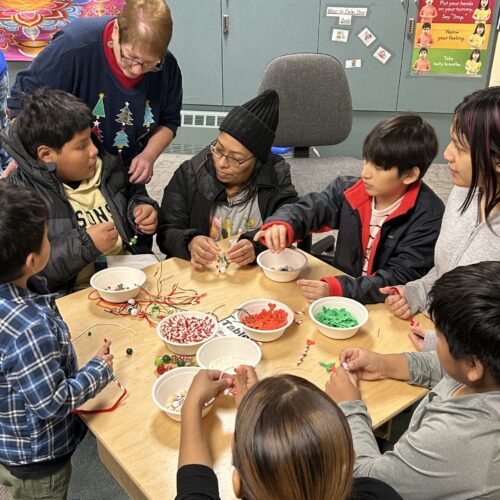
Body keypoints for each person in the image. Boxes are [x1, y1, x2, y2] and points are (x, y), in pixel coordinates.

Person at [326, 261, 500, 499]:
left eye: (439, 338)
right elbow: (449, 370)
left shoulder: (457, 438)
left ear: (473, 365)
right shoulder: (488, 371)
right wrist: (385, 364)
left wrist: (348, 407)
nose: (433, 343)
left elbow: (368, 483)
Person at [0, 183, 114, 500]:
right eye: (47, 237)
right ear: (33, 259)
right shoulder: (27, 329)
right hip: (39, 460)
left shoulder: (20, 299)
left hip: (11, 437)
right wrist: (99, 370)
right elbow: (53, 403)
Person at [255, 114, 444, 304]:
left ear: (410, 175)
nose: (365, 173)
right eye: (366, 160)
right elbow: (312, 209)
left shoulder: (429, 215)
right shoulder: (352, 190)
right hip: (347, 283)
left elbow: (399, 277)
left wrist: (340, 288)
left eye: (378, 167)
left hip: (386, 304)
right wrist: (283, 224)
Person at [1, 89, 158, 295]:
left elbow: (133, 193)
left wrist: (141, 208)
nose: (94, 151)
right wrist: (86, 245)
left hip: (127, 280)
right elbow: (26, 273)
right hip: (72, 297)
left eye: (91, 140)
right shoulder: (18, 199)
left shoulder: (108, 168)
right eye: (82, 146)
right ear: (46, 155)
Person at [7, 0, 182, 185]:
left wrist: (148, 155)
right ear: (116, 31)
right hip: (66, 173)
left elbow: (169, 121)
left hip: (121, 175)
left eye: (150, 64)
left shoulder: (167, 66)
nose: (137, 70)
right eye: (130, 57)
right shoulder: (73, 46)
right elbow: (21, 104)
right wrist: (25, 158)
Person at [382, 86, 500, 351]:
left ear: (497, 160)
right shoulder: (463, 191)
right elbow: (447, 269)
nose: (446, 155)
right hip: (432, 335)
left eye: (460, 148)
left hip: (468, 364)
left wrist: (444, 347)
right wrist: (418, 291)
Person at [176, 367, 402, 499]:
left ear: (238, 485)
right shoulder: (377, 493)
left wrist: (192, 405)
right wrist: (256, 408)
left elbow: (195, 485)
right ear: (351, 459)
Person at [157, 90, 301, 269]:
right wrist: (190, 242)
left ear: (258, 161)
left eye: (235, 158)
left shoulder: (275, 177)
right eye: (219, 149)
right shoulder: (190, 174)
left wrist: (255, 246)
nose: (222, 163)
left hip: (252, 279)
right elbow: (166, 232)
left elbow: (292, 222)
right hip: (202, 278)